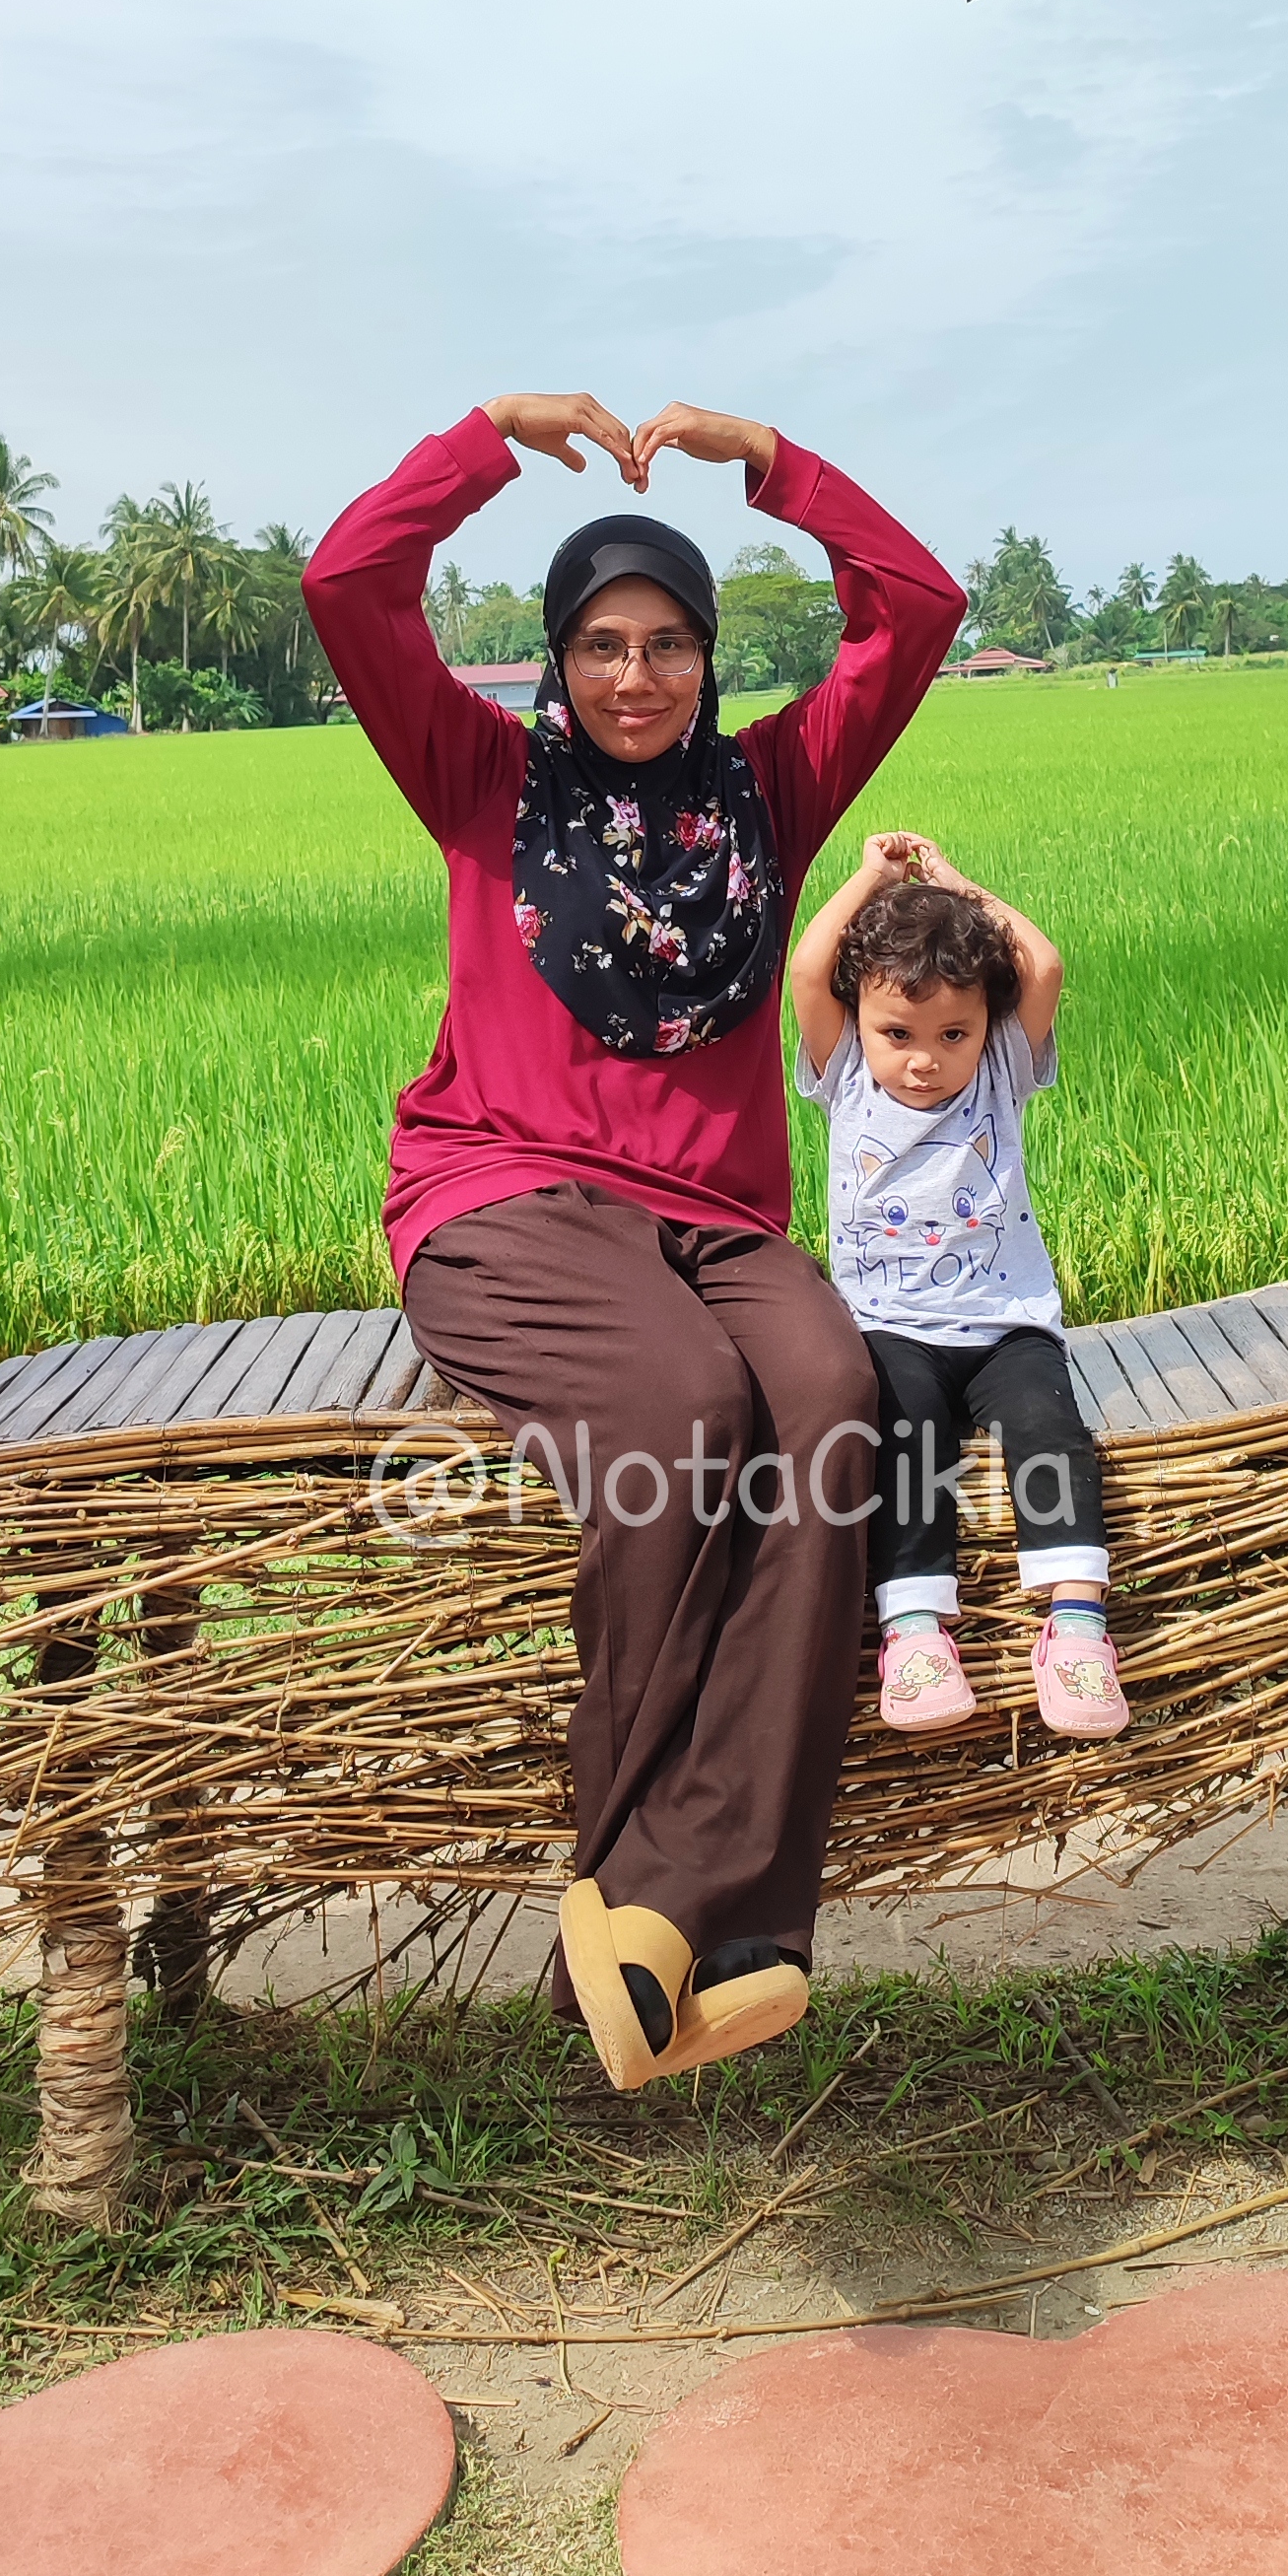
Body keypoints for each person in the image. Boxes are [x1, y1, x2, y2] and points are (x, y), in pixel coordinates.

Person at [304, 392, 963, 2094]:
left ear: (708, 657)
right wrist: (485, 437)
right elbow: (346, 585)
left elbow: (919, 606)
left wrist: (772, 465)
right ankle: (661, 1893)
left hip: (716, 1226)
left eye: (670, 644)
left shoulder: (773, 790)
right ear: (556, 658)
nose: (636, 677)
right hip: (503, 1199)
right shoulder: (478, 774)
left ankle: (695, 1916)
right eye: (601, 645)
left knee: (831, 1395)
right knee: (684, 1406)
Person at [787, 834, 1129, 1744]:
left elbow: (1042, 962)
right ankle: (914, 1631)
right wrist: (871, 875)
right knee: (906, 1437)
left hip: (1004, 1323)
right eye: (898, 1033)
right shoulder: (845, 1079)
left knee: (1050, 1427)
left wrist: (957, 887)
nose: (925, 1060)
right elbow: (809, 968)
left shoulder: (1003, 1077)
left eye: (954, 1034)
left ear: (988, 1028)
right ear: (862, 1023)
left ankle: (1079, 1625)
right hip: (891, 1328)